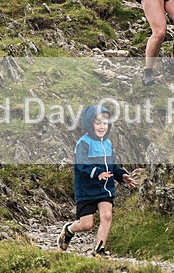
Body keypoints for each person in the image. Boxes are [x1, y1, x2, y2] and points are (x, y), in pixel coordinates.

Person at [57, 104, 137, 258]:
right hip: (86, 189)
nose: (102, 127)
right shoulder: (83, 143)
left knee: (107, 215)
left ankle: (99, 249)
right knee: (86, 224)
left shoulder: (108, 144)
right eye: (98, 123)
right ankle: (69, 230)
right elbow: (81, 164)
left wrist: (122, 176)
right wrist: (97, 173)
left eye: (105, 123)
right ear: (89, 124)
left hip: (105, 189)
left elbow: (112, 165)